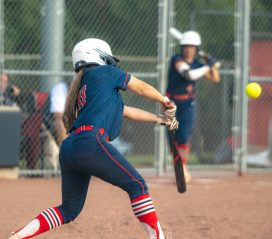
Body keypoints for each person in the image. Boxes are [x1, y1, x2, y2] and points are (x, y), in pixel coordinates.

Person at [8, 38, 178, 239]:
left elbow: (127, 111)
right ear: (99, 56)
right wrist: (165, 100)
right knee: (137, 184)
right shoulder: (105, 73)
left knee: (69, 210)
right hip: (91, 142)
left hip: (71, 147)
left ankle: (19, 236)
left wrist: (161, 120)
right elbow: (140, 87)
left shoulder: (85, 86)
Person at [166, 30, 221, 182]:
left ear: (196, 48)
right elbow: (188, 75)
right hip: (170, 104)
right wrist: (208, 65)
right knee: (172, 138)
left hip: (188, 103)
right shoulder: (176, 59)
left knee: (183, 136)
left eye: (191, 46)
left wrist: (211, 64)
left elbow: (216, 79)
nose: (188, 49)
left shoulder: (198, 64)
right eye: (185, 46)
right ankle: (179, 168)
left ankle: (182, 168)